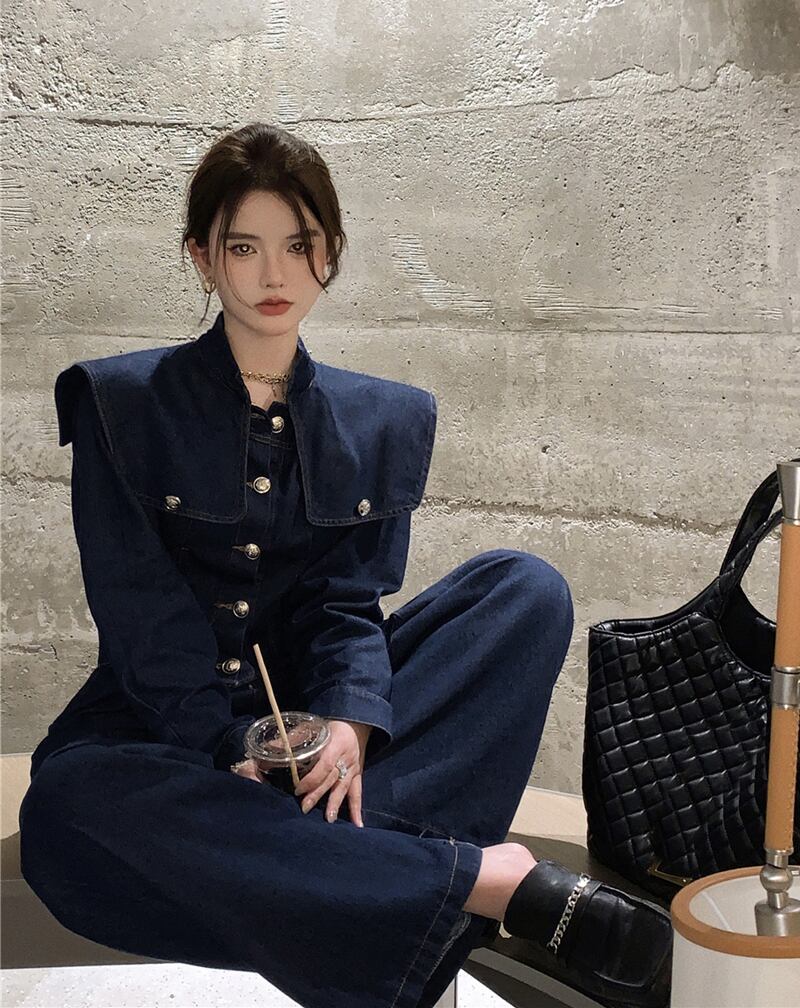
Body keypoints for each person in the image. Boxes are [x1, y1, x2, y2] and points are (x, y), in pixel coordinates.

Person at [18, 122, 672, 1008]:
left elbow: (346, 604)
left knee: (524, 590)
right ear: (200, 257)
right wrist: (229, 745)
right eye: (242, 247)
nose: (274, 274)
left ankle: (340, 869)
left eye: (300, 245)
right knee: (67, 807)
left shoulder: (380, 419)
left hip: (318, 735)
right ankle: (476, 881)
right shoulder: (120, 404)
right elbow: (142, 621)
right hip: (165, 738)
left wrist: (352, 725)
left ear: (330, 253)